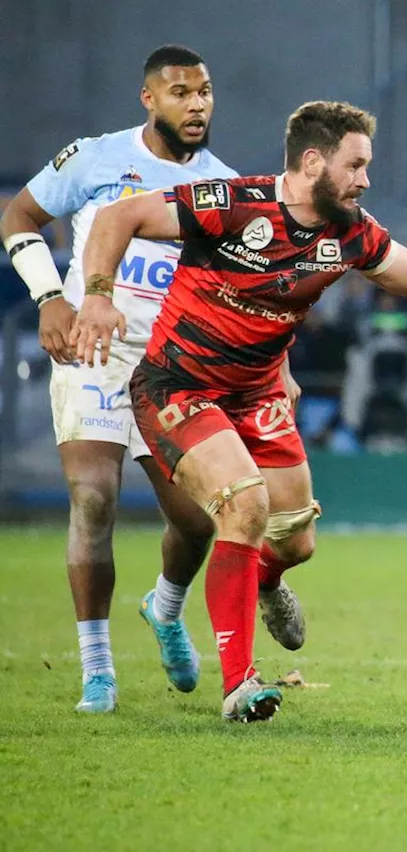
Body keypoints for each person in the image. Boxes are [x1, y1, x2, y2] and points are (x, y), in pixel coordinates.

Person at [71, 100, 407, 721]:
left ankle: (260, 580)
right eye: (356, 165)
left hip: (257, 394)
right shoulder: (232, 203)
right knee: (244, 505)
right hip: (179, 385)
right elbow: (117, 216)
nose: (365, 180)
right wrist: (95, 298)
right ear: (313, 162)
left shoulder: (349, 231)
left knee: (297, 542)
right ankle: (239, 686)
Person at [0, 45, 237, 713]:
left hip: (170, 370)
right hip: (92, 352)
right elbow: (19, 216)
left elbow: (235, 292)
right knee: (94, 498)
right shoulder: (96, 157)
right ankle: (97, 668)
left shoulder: (223, 184)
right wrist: (51, 297)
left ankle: (164, 609)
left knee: (195, 522)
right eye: (181, 92)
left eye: (205, 92)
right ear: (149, 100)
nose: (196, 105)